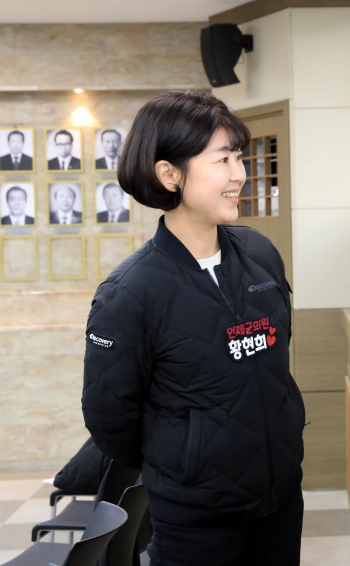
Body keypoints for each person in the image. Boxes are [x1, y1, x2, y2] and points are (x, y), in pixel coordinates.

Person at [81, 91, 304, 566]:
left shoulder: (260, 253)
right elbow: (110, 418)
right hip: (195, 519)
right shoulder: (131, 292)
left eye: (238, 157)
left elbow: (278, 353)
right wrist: (185, 461)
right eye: (223, 159)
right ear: (170, 174)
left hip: (282, 500)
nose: (239, 174)